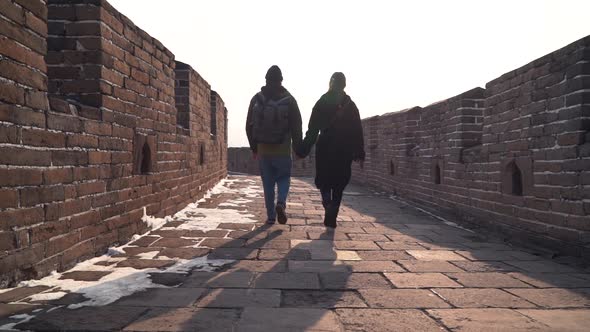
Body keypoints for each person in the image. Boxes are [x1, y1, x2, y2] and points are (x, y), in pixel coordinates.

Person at [296, 72, 365, 228]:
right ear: (344, 85)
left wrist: (303, 149)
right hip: (345, 148)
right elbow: (357, 129)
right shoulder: (350, 105)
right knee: (340, 182)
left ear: (331, 83)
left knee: (324, 178)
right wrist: (359, 152)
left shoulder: (322, 102)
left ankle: (327, 203)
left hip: (326, 146)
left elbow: (313, 129)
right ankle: (333, 211)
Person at [246, 65, 303, 224]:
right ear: (281, 81)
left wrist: (254, 147)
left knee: (268, 183)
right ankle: (281, 203)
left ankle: (271, 216)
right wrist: (298, 148)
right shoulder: (289, 100)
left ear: (266, 80)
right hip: (283, 149)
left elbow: (248, 125)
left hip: (264, 149)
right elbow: (296, 126)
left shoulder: (257, 99)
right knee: (284, 178)